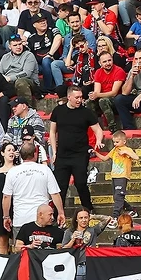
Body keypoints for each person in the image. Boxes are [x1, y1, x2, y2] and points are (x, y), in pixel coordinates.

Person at [48, 84, 103, 213]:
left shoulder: (86, 112)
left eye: (81, 97)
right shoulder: (58, 111)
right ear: (69, 97)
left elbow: (98, 130)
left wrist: (99, 141)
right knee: (60, 186)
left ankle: (88, 209)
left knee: (80, 183)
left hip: (80, 154)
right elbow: (52, 132)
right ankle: (57, 214)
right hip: (62, 155)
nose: (79, 100)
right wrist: (54, 152)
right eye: (77, 97)